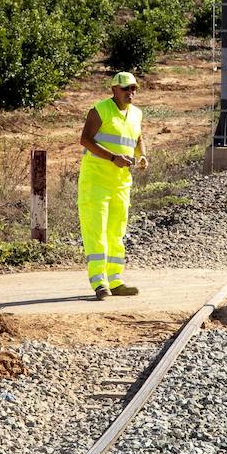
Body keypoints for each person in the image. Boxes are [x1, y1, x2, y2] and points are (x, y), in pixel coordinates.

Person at [77, 72, 148, 300]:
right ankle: (99, 282)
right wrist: (112, 158)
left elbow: (137, 138)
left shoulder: (136, 114)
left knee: (117, 232)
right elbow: (85, 140)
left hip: (121, 183)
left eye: (134, 88)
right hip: (96, 181)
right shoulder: (100, 110)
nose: (131, 93)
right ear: (114, 89)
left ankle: (115, 280)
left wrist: (142, 155)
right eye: (126, 88)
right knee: (96, 231)